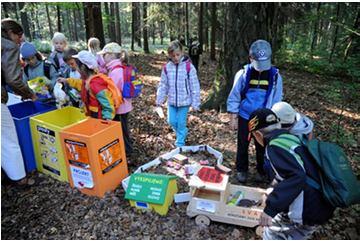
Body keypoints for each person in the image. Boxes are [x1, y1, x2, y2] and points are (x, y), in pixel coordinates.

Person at [247, 108, 335, 240]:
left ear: (258, 134)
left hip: (305, 208)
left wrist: (271, 208)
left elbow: (296, 176)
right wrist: (273, 188)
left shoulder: (274, 147)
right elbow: (289, 171)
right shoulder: (291, 139)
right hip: (322, 204)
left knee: (272, 235)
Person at [227, 39, 283, 183]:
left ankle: (262, 170)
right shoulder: (243, 74)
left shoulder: (275, 76)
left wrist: (273, 119)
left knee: (262, 145)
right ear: (250, 58)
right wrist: (233, 116)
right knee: (243, 144)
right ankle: (242, 170)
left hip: (264, 119)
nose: (261, 68)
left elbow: (277, 99)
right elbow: (235, 95)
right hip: (245, 115)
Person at [1, 19, 36, 185]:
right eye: (19, 35)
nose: (20, 40)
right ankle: (19, 178)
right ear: (10, 33)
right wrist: (29, 94)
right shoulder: (8, 45)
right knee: (8, 139)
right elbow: (14, 79)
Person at [156, 40, 201, 147]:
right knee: (171, 121)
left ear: (182, 52)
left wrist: (195, 103)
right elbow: (163, 85)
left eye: (178, 54)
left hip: (184, 102)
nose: (175, 58)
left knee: (181, 123)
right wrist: (159, 100)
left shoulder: (189, 67)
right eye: (173, 56)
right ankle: (183, 132)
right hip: (171, 101)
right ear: (169, 55)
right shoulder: (167, 68)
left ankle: (180, 143)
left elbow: (194, 86)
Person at [58, 50, 117, 120]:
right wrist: (66, 80)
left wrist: (107, 119)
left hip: (99, 118)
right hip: (92, 115)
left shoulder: (95, 84)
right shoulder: (87, 81)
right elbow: (79, 84)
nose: (75, 69)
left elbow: (107, 103)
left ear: (82, 68)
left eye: (77, 66)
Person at [98, 42, 134, 155]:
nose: (103, 58)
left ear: (110, 55)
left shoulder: (115, 71)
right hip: (125, 105)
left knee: (122, 131)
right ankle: (126, 150)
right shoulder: (119, 68)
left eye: (104, 55)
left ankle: (127, 151)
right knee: (123, 129)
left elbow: (112, 91)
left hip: (119, 107)